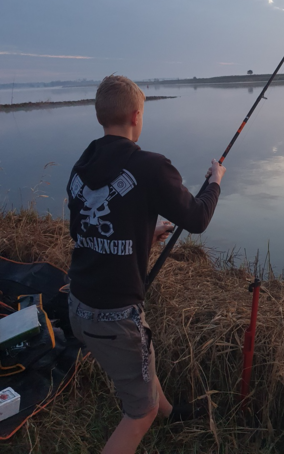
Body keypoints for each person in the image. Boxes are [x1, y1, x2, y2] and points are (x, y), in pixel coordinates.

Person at [67, 75, 226, 454]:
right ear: (136, 116)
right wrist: (215, 182)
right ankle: (155, 411)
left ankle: (171, 413)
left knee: (142, 358)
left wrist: (144, 233)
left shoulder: (81, 167)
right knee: (140, 413)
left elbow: (86, 230)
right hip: (115, 317)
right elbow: (197, 219)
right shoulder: (151, 166)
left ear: (100, 116)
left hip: (78, 304)